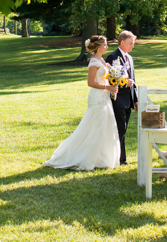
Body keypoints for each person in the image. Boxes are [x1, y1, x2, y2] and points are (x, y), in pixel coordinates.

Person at [43, 35, 121, 170]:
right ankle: (81, 157)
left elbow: (104, 78)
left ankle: (101, 160)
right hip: (97, 97)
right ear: (97, 47)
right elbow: (90, 83)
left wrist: (112, 87)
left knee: (104, 127)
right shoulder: (94, 62)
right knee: (95, 127)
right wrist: (106, 87)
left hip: (105, 97)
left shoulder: (102, 60)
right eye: (104, 45)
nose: (107, 47)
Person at [106, 30, 138, 165]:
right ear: (122, 42)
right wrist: (125, 83)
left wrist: (135, 100)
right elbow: (109, 80)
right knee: (120, 129)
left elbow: (134, 80)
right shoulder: (112, 57)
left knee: (123, 129)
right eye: (131, 43)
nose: (133, 46)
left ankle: (121, 158)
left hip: (128, 100)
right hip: (117, 99)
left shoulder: (130, 58)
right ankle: (120, 159)